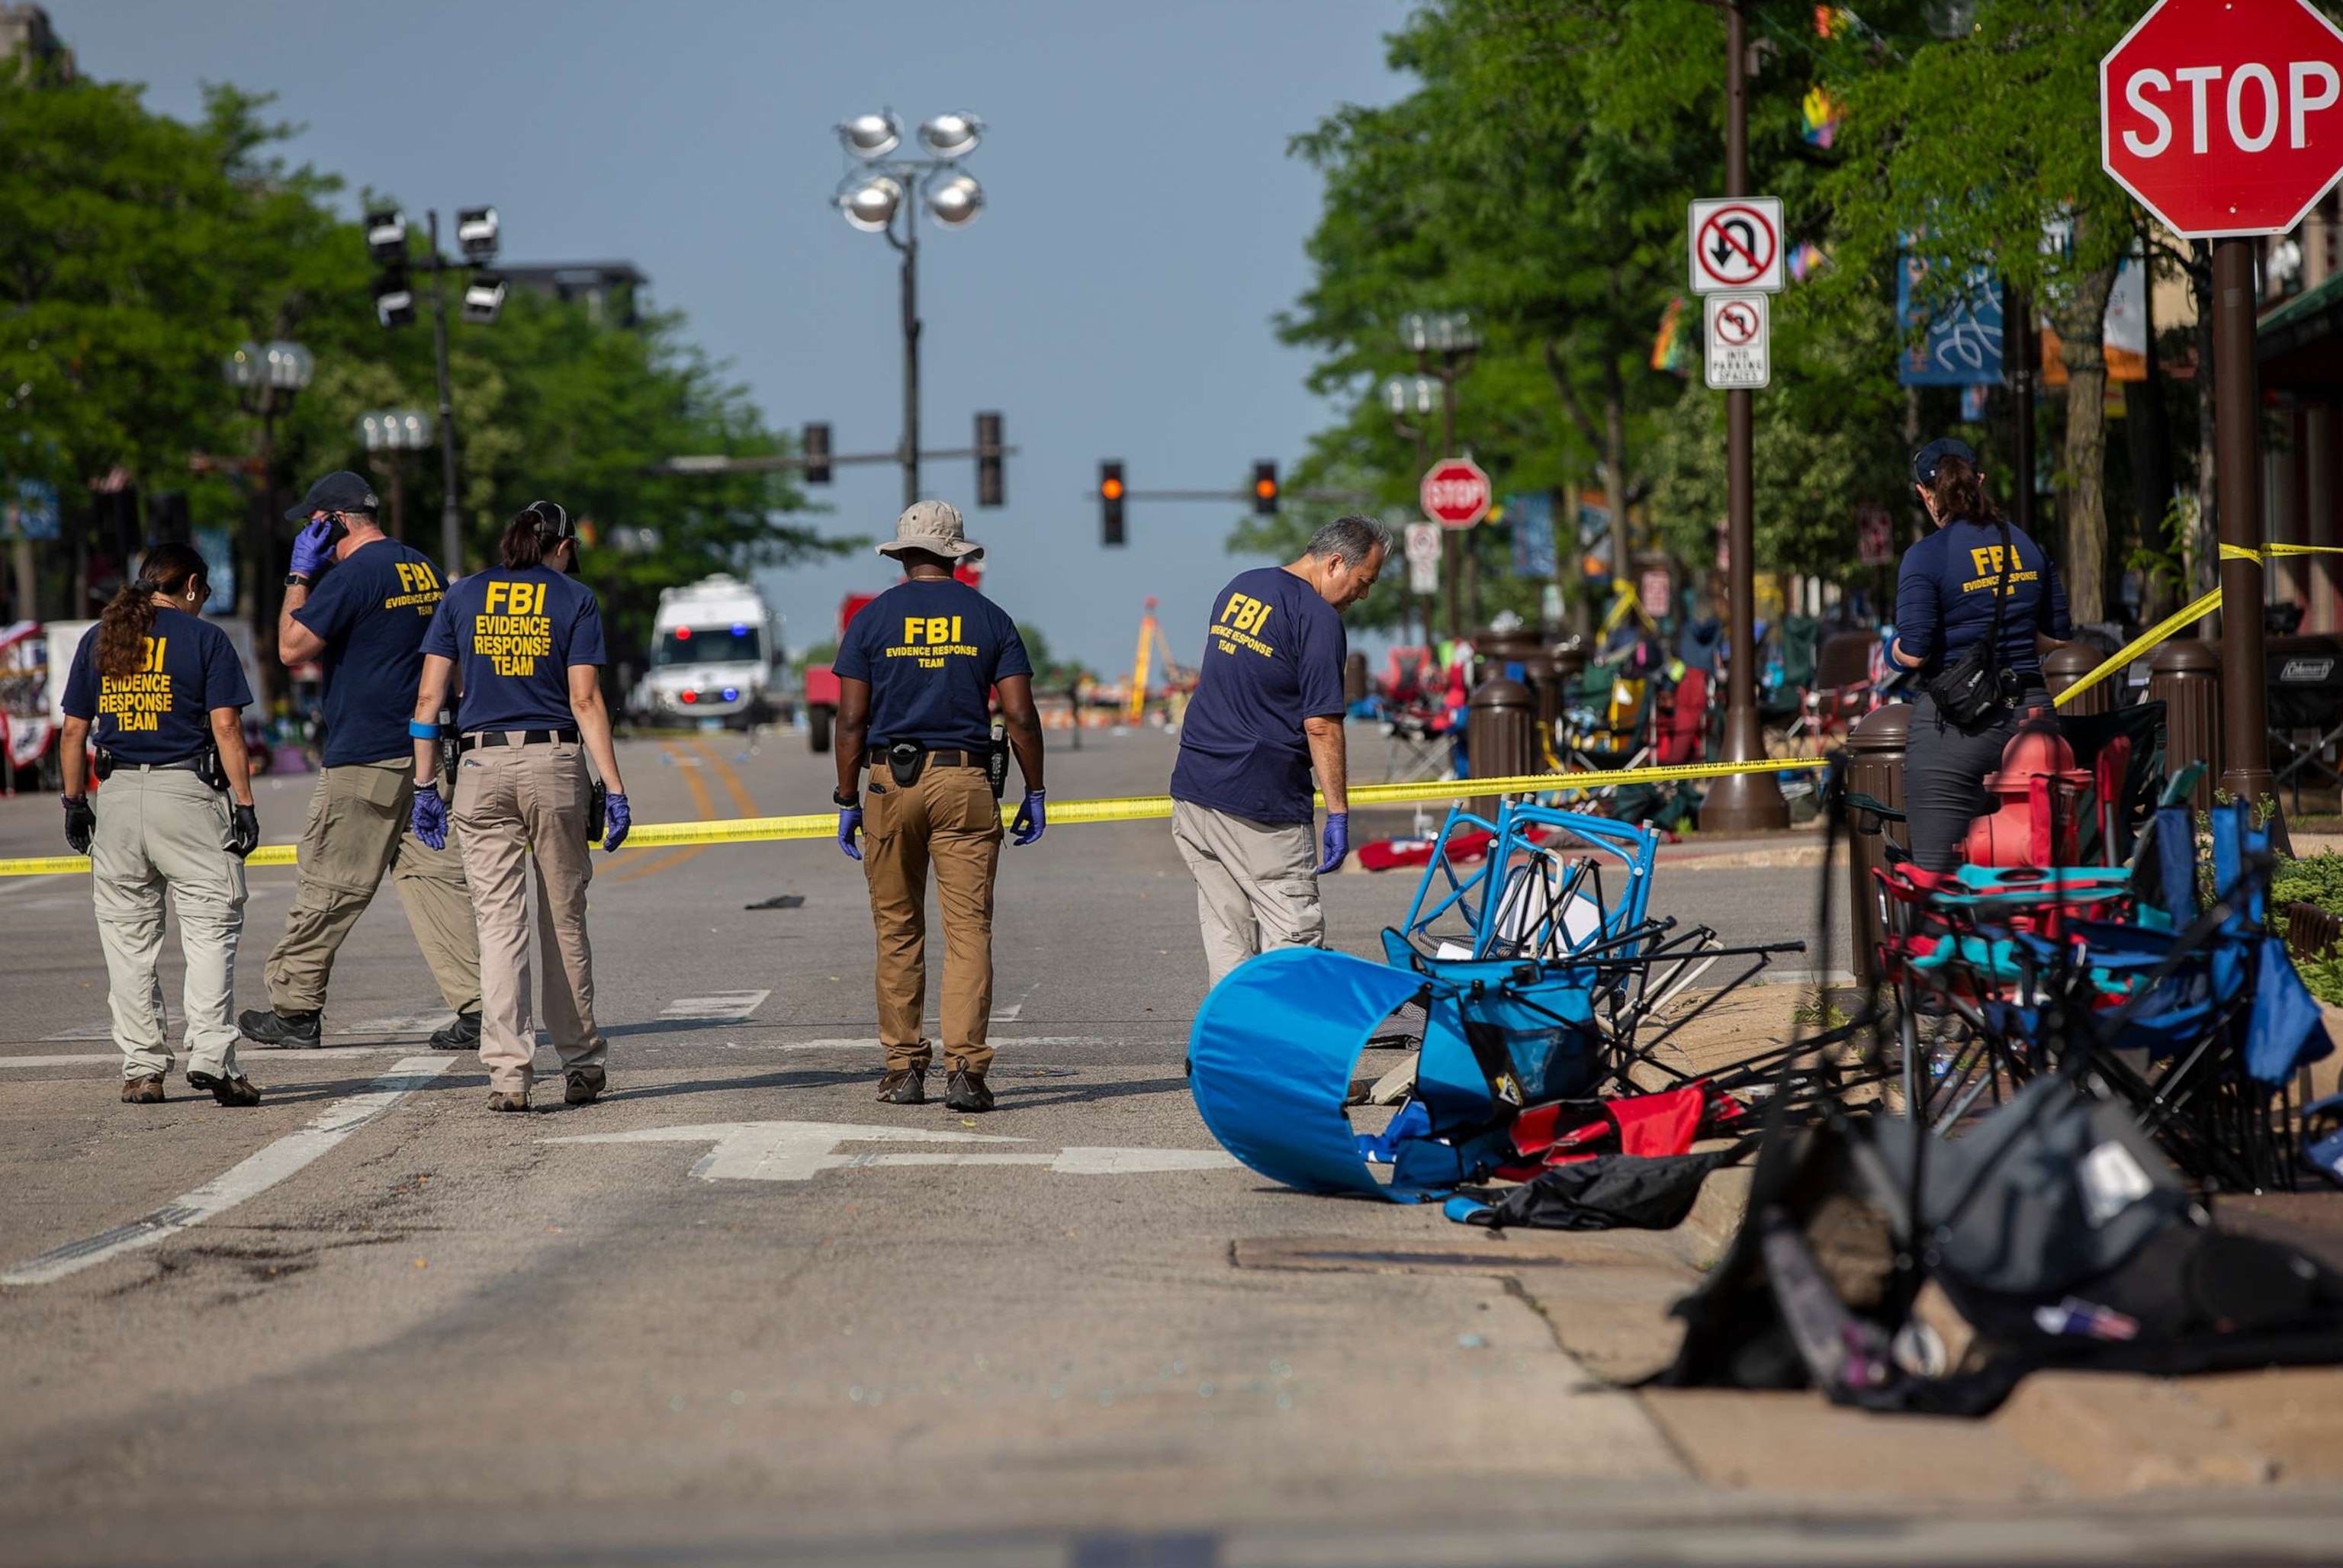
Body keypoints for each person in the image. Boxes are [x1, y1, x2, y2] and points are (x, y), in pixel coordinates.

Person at [238, 471, 483, 1052]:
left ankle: (294, 1009)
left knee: (330, 881)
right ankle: (480, 1006)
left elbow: (291, 648)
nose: (307, 532)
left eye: (312, 524)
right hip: (425, 753)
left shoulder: (350, 576)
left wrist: (300, 576)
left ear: (334, 523)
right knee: (437, 884)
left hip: (366, 756)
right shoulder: (418, 565)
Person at [408, 501, 630, 1113]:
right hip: (553, 763)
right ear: (560, 546)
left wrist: (424, 787)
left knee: (497, 926)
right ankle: (581, 1063)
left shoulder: (461, 598)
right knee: (563, 919)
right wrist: (613, 786)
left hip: (478, 768)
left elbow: (429, 699)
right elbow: (584, 701)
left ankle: (509, 1074)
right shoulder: (574, 600)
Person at [833, 500, 1045, 1113]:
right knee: (968, 932)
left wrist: (847, 798)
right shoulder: (990, 619)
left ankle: (903, 1071)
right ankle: (966, 1073)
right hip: (964, 783)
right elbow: (1021, 716)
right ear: (958, 554)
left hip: (887, 785)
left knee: (898, 932)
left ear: (901, 554)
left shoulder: (871, 622)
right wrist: (1034, 789)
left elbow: (850, 722)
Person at [58, 544, 264, 1106]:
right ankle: (211, 1057)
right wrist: (244, 803)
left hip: (118, 796)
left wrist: (75, 802)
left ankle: (143, 1067)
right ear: (192, 585)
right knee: (210, 927)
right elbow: (225, 727)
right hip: (187, 796)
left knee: (127, 941)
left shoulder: (100, 637)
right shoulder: (205, 640)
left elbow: (74, 732)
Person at [1169, 515, 1389, 988]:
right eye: (1363, 581)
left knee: (1228, 935)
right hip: (1259, 804)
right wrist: (1338, 814)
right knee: (1293, 937)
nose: (1363, 595)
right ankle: (1282, 1054)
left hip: (1195, 790)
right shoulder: (1318, 619)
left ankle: (1232, 1053)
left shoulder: (1240, 588)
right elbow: (1322, 725)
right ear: (1335, 563)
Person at [1890, 438, 2072, 873]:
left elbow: (1914, 654)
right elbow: (2057, 636)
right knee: (2039, 871)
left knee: (1938, 878)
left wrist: (1889, 650)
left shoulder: (1925, 557)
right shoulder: (2025, 545)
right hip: (2033, 720)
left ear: (1925, 494)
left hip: (1957, 728)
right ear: (1980, 481)